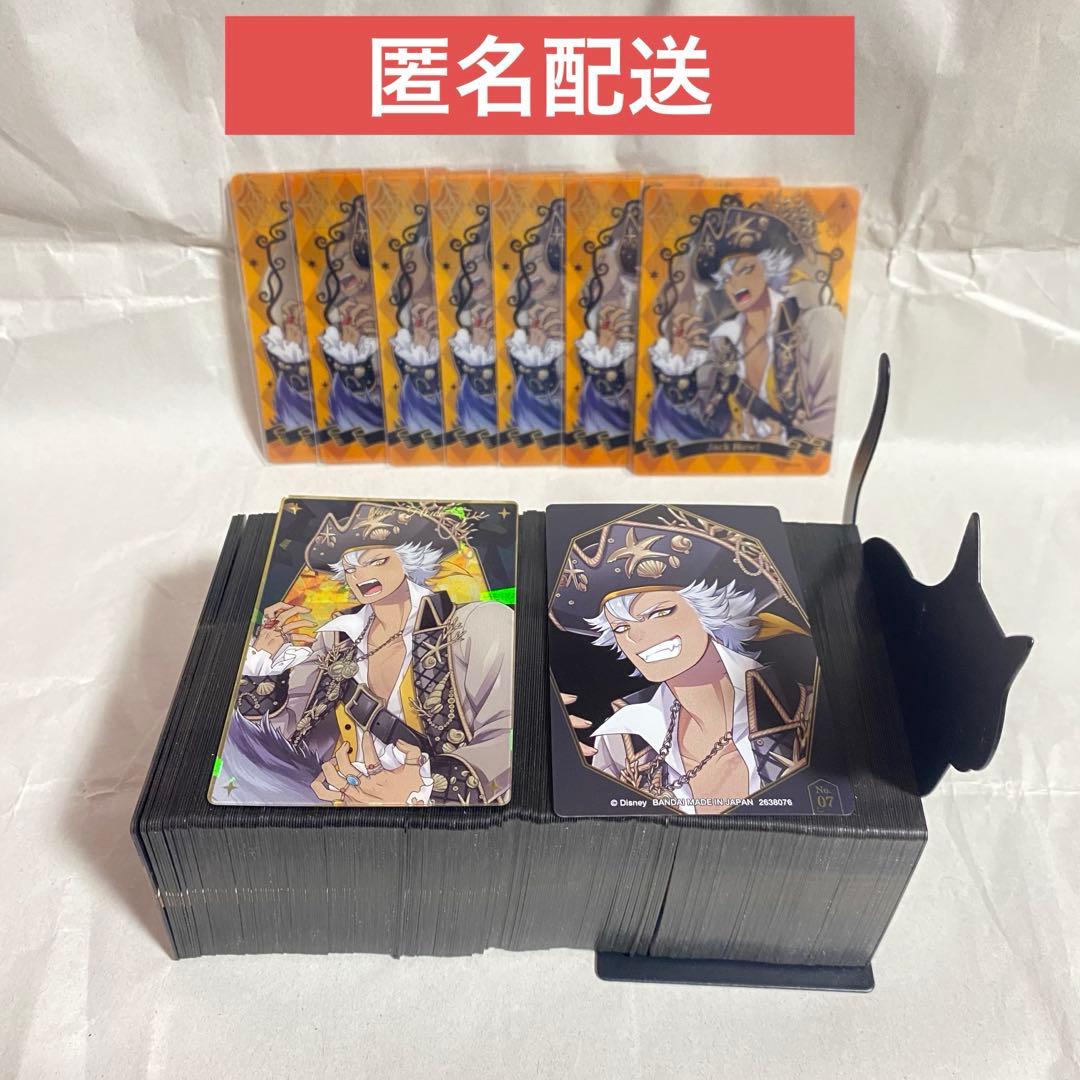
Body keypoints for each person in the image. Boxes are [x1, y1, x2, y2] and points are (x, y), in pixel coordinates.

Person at [222, 502, 513, 806]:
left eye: (378, 561)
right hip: (339, 800)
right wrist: (263, 664)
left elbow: (512, 733)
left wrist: (427, 786)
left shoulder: (478, 622)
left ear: (410, 558)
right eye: (350, 569)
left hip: (440, 813)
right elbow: (276, 735)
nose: (362, 576)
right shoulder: (335, 638)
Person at [549, 508, 813, 814]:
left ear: (709, 612)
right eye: (620, 628)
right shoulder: (623, 735)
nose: (636, 637)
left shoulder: (798, 702)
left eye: (659, 613)